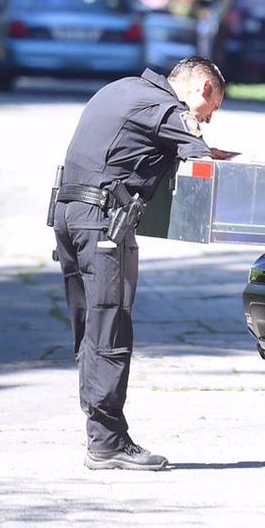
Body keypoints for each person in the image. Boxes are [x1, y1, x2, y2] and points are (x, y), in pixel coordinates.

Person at [52, 57, 231, 470]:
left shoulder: (120, 88)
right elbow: (202, 161)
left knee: (91, 329)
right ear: (204, 89)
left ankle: (102, 433)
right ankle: (107, 443)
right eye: (214, 108)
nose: (209, 117)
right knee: (110, 330)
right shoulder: (166, 108)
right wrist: (202, 141)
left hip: (69, 216)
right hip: (102, 227)